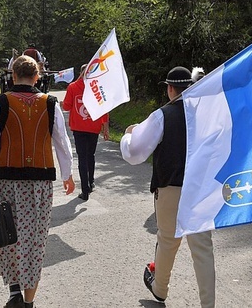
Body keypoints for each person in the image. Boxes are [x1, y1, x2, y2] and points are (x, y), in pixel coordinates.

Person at [0, 55, 75, 308]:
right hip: (39, 184)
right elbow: (62, 143)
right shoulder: (50, 104)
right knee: (34, 242)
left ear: (13, 76)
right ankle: (27, 302)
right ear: (38, 76)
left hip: (5, 182)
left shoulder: (0, 103)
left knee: (7, 237)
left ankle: (13, 293)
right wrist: (68, 175)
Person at [120, 66, 215, 308]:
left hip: (171, 186)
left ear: (170, 89)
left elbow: (135, 153)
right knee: (202, 248)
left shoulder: (163, 115)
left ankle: (160, 289)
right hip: (201, 189)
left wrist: (128, 135)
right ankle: (208, 303)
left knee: (167, 240)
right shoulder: (206, 114)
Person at [61, 64, 110, 201]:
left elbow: (66, 106)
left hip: (78, 127)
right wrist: (105, 127)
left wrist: (62, 104)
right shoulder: (97, 88)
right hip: (93, 126)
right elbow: (104, 108)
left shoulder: (73, 87)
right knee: (91, 155)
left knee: (82, 157)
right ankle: (91, 181)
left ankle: (85, 189)